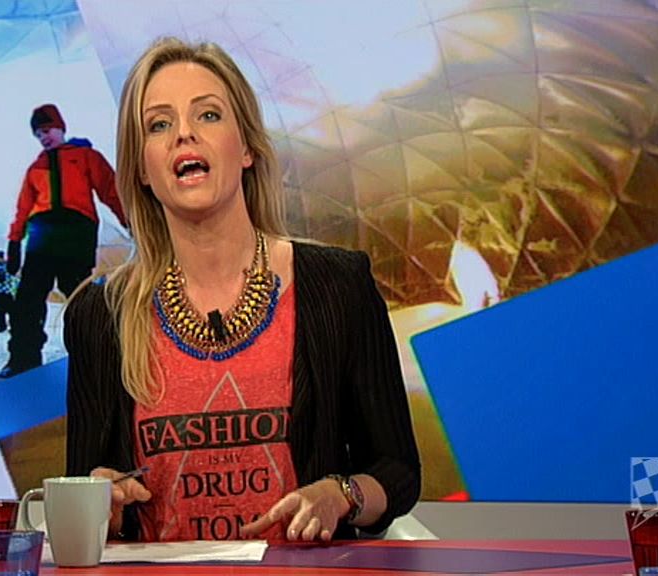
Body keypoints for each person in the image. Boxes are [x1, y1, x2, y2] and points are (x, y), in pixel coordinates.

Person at [64, 38, 421, 543]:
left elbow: (397, 471)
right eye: (158, 125)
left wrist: (340, 494)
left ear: (247, 147)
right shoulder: (100, 313)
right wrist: (102, 501)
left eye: (208, 115)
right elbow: (86, 498)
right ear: (141, 168)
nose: (184, 133)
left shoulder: (338, 285)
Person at [0, 104, 129, 379]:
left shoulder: (85, 156)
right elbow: (23, 207)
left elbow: (110, 189)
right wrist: (14, 241)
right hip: (42, 234)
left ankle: (103, 353)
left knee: (79, 293)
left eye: (47, 130)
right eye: (38, 134)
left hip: (76, 232)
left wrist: (129, 220)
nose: (43, 138)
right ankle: (23, 359)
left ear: (60, 128)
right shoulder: (36, 167)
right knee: (28, 298)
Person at [0, 250, 18, 332]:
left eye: (0, 258)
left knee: (11, 310)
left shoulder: (8, 266)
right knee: (0, 311)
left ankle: (13, 326)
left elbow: (12, 277)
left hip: (8, 291)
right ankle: (2, 326)